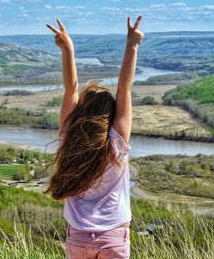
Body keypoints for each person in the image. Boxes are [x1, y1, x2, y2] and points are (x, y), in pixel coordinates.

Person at [45, 16, 144, 259]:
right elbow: (125, 89)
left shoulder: (70, 139)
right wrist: (132, 45)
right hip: (113, 237)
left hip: (78, 237)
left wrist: (68, 49)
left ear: (80, 113)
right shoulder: (116, 144)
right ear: (110, 116)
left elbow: (70, 90)